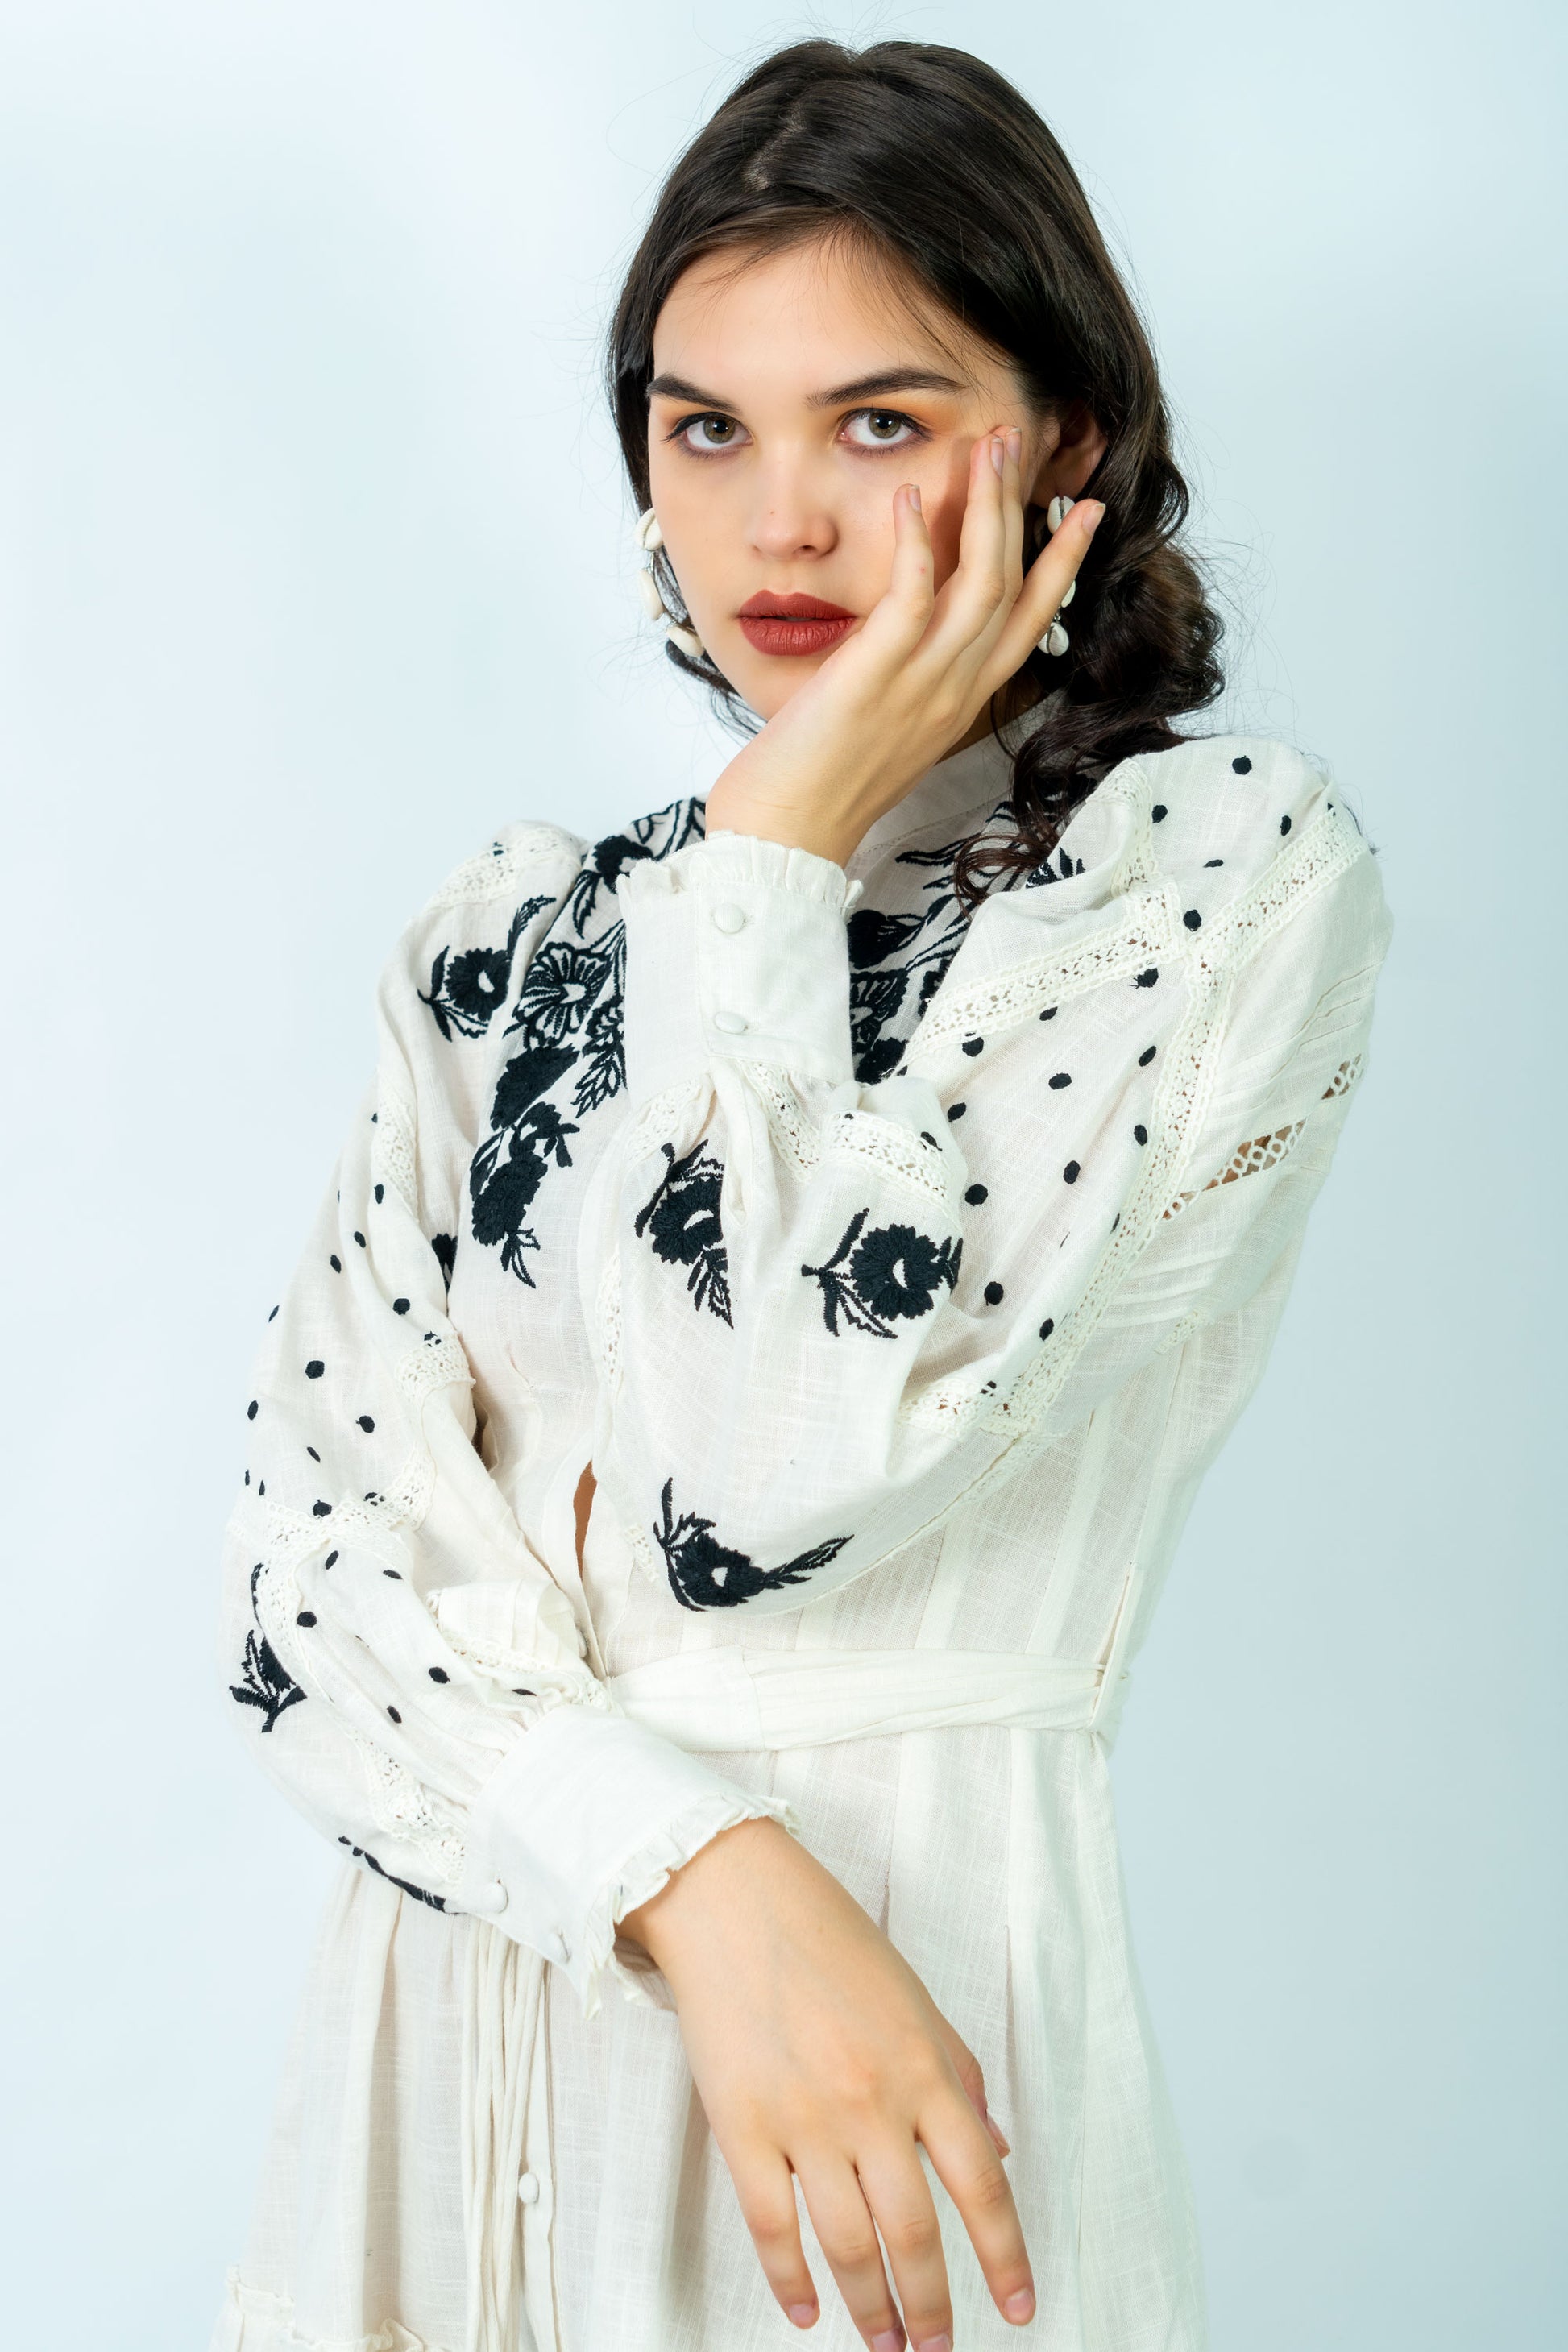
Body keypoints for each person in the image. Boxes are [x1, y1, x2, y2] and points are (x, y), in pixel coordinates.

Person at [210, 38, 1392, 2352]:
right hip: (476, 2008)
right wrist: (688, 1871)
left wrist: (765, 858)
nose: (776, 529)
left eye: (877, 423)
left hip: (889, 2047)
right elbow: (308, 1581)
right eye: (702, 429)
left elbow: (762, 1481)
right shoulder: (521, 931)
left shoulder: (1203, 882)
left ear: (1062, 439)